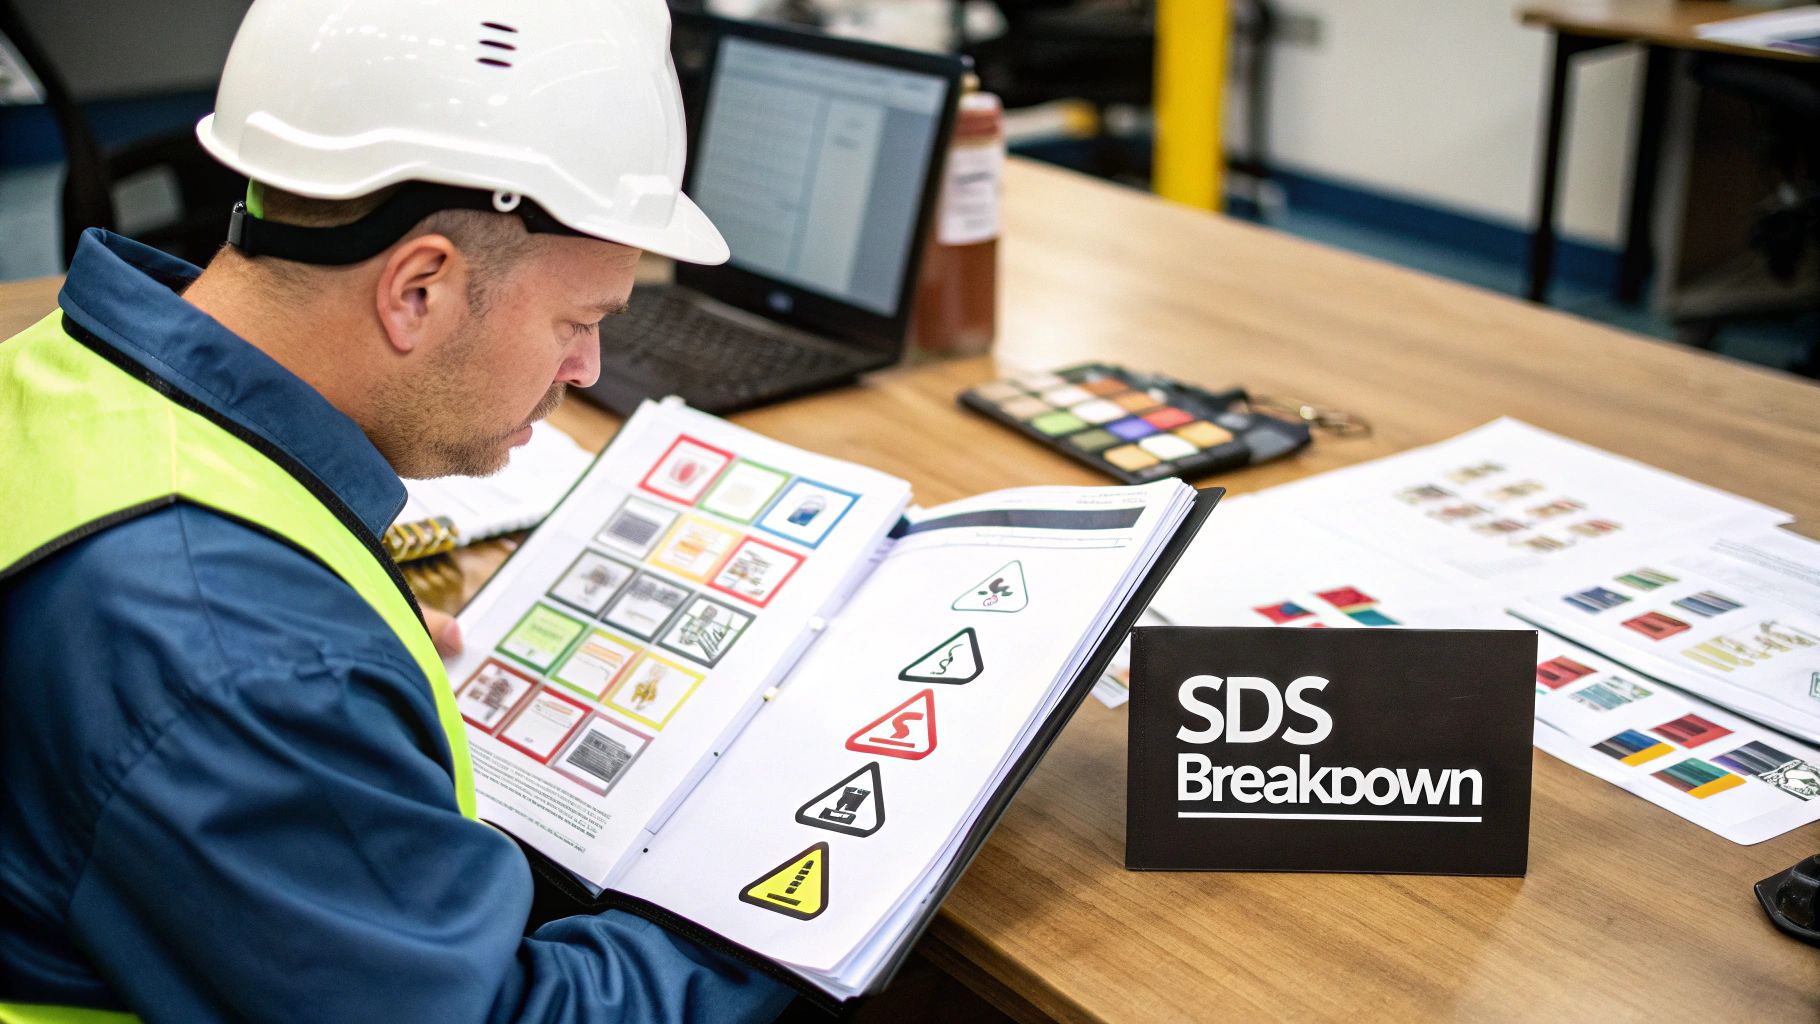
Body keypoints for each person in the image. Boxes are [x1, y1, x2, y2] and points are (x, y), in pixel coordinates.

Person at [0, 1, 794, 1021]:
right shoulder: (237, 659)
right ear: (418, 287)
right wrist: (774, 900)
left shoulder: (64, 372)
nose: (586, 368)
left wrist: (322, 634)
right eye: (577, 319)